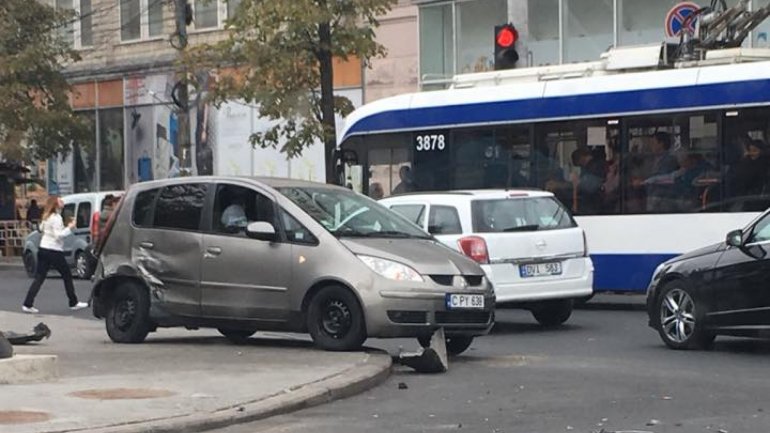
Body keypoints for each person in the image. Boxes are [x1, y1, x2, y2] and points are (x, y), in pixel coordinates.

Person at [22, 196, 89, 314]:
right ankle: (73, 302)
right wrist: (70, 227)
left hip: (43, 248)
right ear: (55, 204)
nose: (62, 201)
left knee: (39, 278)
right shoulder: (56, 218)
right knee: (67, 275)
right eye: (59, 200)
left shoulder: (47, 217)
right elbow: (59, 235)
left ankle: (28, 303)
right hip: (54, 250)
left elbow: (41, 229)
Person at [570, 147, 607, 215]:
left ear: (581, 158)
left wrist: (576, 182)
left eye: (580, 165)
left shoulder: (596, 167)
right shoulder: (591, 166)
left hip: (593, 203)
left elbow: (589, 186)